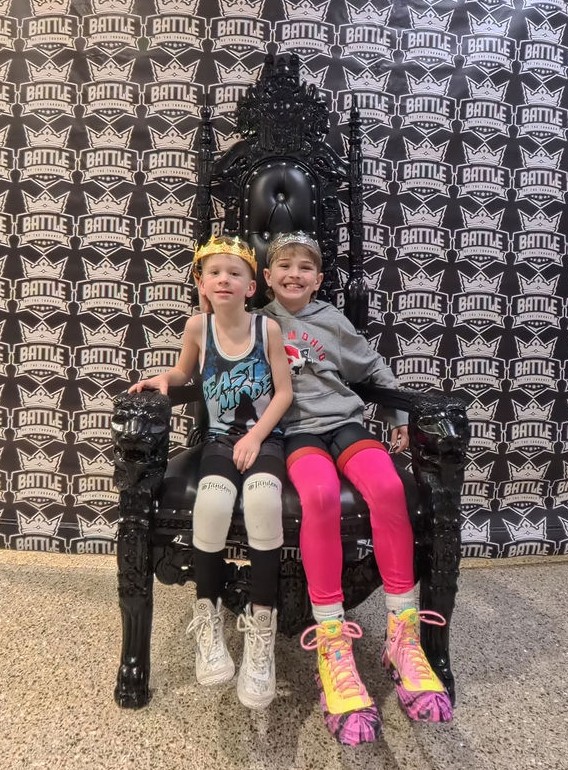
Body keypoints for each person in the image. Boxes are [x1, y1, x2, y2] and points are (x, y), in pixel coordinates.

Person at [262, 231, 452, 744]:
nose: (294, 274)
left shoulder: (332, 321)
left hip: (345, 425)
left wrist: (396, 416)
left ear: (318, 279)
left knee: (389, 489)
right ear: (267, 276)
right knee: (319, 497)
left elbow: (372, 368)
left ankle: (401, 636)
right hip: (296, 432)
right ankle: (332, 640)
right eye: (284, 266)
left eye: (305, 268)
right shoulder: (259, 323)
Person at [130, 234, 293, 709]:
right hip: (219, 441)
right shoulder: (198, 326)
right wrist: (166, 378)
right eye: (214, 273)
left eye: (234, 273)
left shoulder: (267, 329)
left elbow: (284, 393)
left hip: (264, 438)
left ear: (250, 287)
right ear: (201, 283)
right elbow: (186, 372)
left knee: (262, 500)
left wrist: (256, 437)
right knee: (214, 503)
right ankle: (208, 615)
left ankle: (262, 629)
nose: (224, 280)